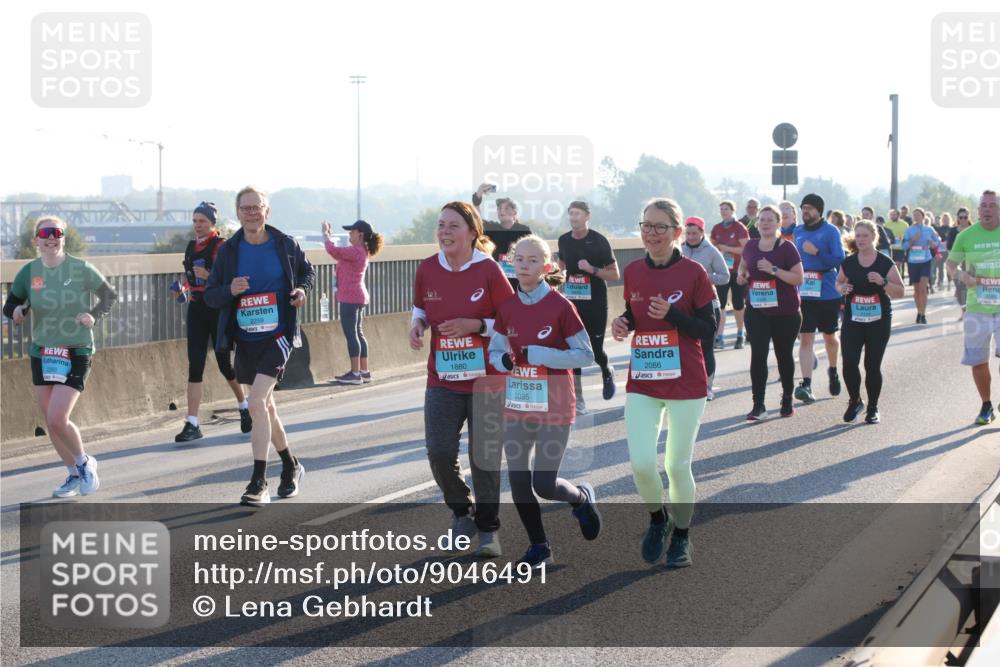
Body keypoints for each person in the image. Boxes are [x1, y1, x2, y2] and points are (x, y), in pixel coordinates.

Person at [611, 197, 716, 569]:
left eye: (660, 227)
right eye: (646, 226)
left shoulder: (694, 274)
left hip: (686, 380)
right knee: (641, 463)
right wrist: (624, 323)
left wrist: (674, 314)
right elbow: (636, 313)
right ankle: (659, 519)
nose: (651, 234)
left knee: (675, 465)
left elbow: (709, 328)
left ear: (676, 232)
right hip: (644, 378)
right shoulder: (635, 271)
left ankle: (683, 536)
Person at [410, 201, 515, 557]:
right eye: (441, 225)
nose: (445, 232)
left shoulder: (489, 271)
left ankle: (488, 529)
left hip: (487, 378)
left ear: (473, 232)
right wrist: (417, 325)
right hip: (442, 377)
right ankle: (461, 511)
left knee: (483, 457)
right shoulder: (427, 269)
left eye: (453, 226)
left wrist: (477, 326)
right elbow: (421, 307)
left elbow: (512, 320)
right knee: (439, 452)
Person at [489, 234, 601, 568]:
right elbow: (495, 350)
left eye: (532, 260)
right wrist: (502, 362)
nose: (524, 265)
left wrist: (539, 354)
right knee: (519, 481)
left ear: (546, 266)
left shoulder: (560, 306)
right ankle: (539, 546)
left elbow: (585, 355)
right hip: (519, 405)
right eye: (518, 259)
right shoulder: (507, 307)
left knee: (544, 484)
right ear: (511, 262)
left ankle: (580, 498)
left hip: (554, 405)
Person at [204, 186, 313, 506]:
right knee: (265, 407)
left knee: (255, 402)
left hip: (278, 336)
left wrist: (302, 291)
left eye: (257, 207)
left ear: (267, 211)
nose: (252, 213)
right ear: (237, 214)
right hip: (245, 338)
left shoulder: (286, 245)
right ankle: (292, 466)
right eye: (245, 208)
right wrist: (231, 289)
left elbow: (308, 273)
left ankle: (258, 481)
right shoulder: (228, 251)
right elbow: (211, 296)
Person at [3, 216, 118, 497]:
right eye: (45, 233)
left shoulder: (79, 268)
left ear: (63, 238)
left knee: (57, 418)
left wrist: (93, 315)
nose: (51, 238)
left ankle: (84, 463)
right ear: (36, 240)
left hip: (76, 349)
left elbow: (109, 296)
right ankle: (72, 475)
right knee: (50, 420)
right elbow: (11, 303)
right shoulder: (28, 272)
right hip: (42, 352)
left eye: (57, 233)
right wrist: (16, 312)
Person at [172, 202, 251, 443]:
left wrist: (211, 275)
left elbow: (233, 276)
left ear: (212, 223)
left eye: (203, 221)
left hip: (218, 309)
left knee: (224, 364)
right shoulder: (190, 247)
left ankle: (244, 406)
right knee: (194, 366)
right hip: (196, 308)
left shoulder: (221, 246)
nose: (198, 225)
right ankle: (192, 423)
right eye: (195, 221)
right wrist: (182, 289)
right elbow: (189, 277)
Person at [737, 205, 805, 419]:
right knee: (758, 355)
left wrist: (774, 270)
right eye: (762, 219)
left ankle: (787, 398)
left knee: (783, 355)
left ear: (778, 224)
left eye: (770, 220)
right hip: (757, 310)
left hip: (785, 311)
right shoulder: (750, 246)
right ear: (757, 223)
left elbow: (798, 278)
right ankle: (759, 405)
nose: (765, 223)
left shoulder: (787, 248)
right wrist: (742, 275)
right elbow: (743, 266)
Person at [836, 221, 905, 424]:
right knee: (849, 362)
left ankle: (873, 407)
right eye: (857, 236)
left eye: (864, 236)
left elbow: (900, 292)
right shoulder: (848, 262)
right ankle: (855, 400)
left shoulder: (884, 263)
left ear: (873, 237)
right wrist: (842, 288)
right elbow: (838, 282)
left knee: (872, 365)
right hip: (853, 319)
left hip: (878, 320)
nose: (860, 240)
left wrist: (883, 282)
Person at [557, 200, 620, 414]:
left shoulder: (598, 240)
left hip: (596, 301)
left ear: (587, 216)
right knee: (574, 349)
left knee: (594, 348)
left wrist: (591, 268)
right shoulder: (563, 240)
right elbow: (562, 266)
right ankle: (578, 399)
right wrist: (557, 275)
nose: (573, 217)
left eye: (577, 213)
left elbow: (614, 274)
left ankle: (606, 369)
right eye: (571, 213)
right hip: (572, 301)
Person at [946, 190, 1000, 425]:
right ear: (978, 210)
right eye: (983, 206)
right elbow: (950, 264)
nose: (987, 209)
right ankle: (986, 404)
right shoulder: (967, 236)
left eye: (992, 205)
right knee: (978, 361)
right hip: (977, 307)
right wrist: (961, 276)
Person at [793, 194, 846, 403]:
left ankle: (833, 370)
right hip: (805, 292)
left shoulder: (831, 231)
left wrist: (817, 252)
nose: (805, 211)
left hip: (827, 292)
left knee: (829, 337)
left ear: (819, 211)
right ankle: (806, 383)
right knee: (806, 338)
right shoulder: (798, 231)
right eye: (803, 208)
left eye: (809, 208)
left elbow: (839, 259)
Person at [321, 219, 384, 385]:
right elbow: (339, 253)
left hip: (350, 298)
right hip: (359, 296)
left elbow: (333, 251)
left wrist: (326, 235)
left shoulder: (355, 251)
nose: (349, 234)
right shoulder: (362, 250)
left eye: (352, 231)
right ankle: (364, 371)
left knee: (352, 335)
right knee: (359, 333)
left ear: (360, 234)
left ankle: (355, 374)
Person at [681, 216, 730, 400]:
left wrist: (704, 278)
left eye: (695, 233)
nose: (691, 237)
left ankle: (708, 387)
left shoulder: (711, 251)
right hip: (685, 303)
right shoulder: (679, 249)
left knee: (706, 347)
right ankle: (689, 384)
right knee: (686, 347)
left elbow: (725, 276)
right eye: (688, 233)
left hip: (708, 303)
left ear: (702, 233)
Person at [472, 184, 532, 288]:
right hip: (496, 281)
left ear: (514, 212)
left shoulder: (524, 231)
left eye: (506, 208)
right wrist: (478, 196)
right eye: (499, 208)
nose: (502, 211)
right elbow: (476, 218)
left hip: (520, 283)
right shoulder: (492, 229)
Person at [711, 200, 750, 350]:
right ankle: (719, 335)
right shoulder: (717, 228)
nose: (724, 211)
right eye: (721, 209)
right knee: (720, 304)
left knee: (738, 304)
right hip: (722, 271)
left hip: (737, 270)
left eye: (726, 209)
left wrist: (727, 248)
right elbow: (712, 247)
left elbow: (747, 249)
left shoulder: (739, 227)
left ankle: (741, 333)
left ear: (733, 210)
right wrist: (718, 250)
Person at [901, 207, 942, 324]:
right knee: (917, 289)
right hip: (913, 261)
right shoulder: (909, 230)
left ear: (923, 217)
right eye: (914, 215)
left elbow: (937, 241)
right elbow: (904, 246)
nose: (916, 217)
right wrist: (912, 240)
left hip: (926, 260)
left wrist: (933, 243)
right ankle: (918, 312)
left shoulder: (929, 229)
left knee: (923, 288)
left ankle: (923, 314)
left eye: (918, 215)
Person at [949, 207, 974, 320]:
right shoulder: (953, 231)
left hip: (971, 261)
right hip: (956, 262)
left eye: (965, 217)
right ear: (957, 218)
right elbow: (949, 245)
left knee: (970, 286)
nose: (963, 219)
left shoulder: (973, 230)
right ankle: (964, 310)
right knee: (959, 287)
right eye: (961, 217)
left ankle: (971, 309)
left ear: (969, 217)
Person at [884, 208, 910, 280]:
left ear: (898, 215)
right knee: (890, 265)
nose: (892, 216)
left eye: (894, 215)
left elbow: (907, 235)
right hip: (890, 248)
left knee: (898, 264)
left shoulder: (904, 224)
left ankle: (899, 279)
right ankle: (891, 279)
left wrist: (903, 237)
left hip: (900, 248)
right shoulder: (886, 224)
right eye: (891, 215)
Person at [933, 212, 953, 290]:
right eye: (944, 219)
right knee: (940, 267)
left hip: (949, 250)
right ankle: (940, 282)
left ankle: (949, 282)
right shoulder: (939, 229)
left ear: (949, 220)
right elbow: (936, 239)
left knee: (948, 267)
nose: (945, 221)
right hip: (940, 250)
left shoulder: (952, 229)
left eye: (947, 219)